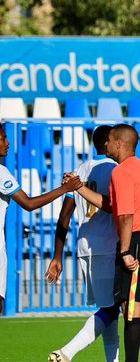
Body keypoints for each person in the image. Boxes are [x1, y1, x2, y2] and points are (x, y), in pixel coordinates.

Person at [75, 124, 140, 362]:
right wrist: (81, 189)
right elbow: (112, 205)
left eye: (108, 141)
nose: (105, 146)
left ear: (118, 143)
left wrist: (125, 250)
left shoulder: (121, 172)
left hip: (137, 242)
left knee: (132, 309)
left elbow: (126, 214)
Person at [46, 125, 120, 362]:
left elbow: (64, 216)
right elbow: (117, 205)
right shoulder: (114, 169)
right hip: (108, 246)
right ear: (110, 143)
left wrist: (57, 256)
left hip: (85, 247)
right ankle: (66, 352)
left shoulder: (80, 171)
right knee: (112, 310)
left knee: (108, 308)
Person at [0, 124, 83, 315]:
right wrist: (64, 189)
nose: (8, 142)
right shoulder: (1, 172)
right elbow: (28, 204)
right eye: (3, 138)